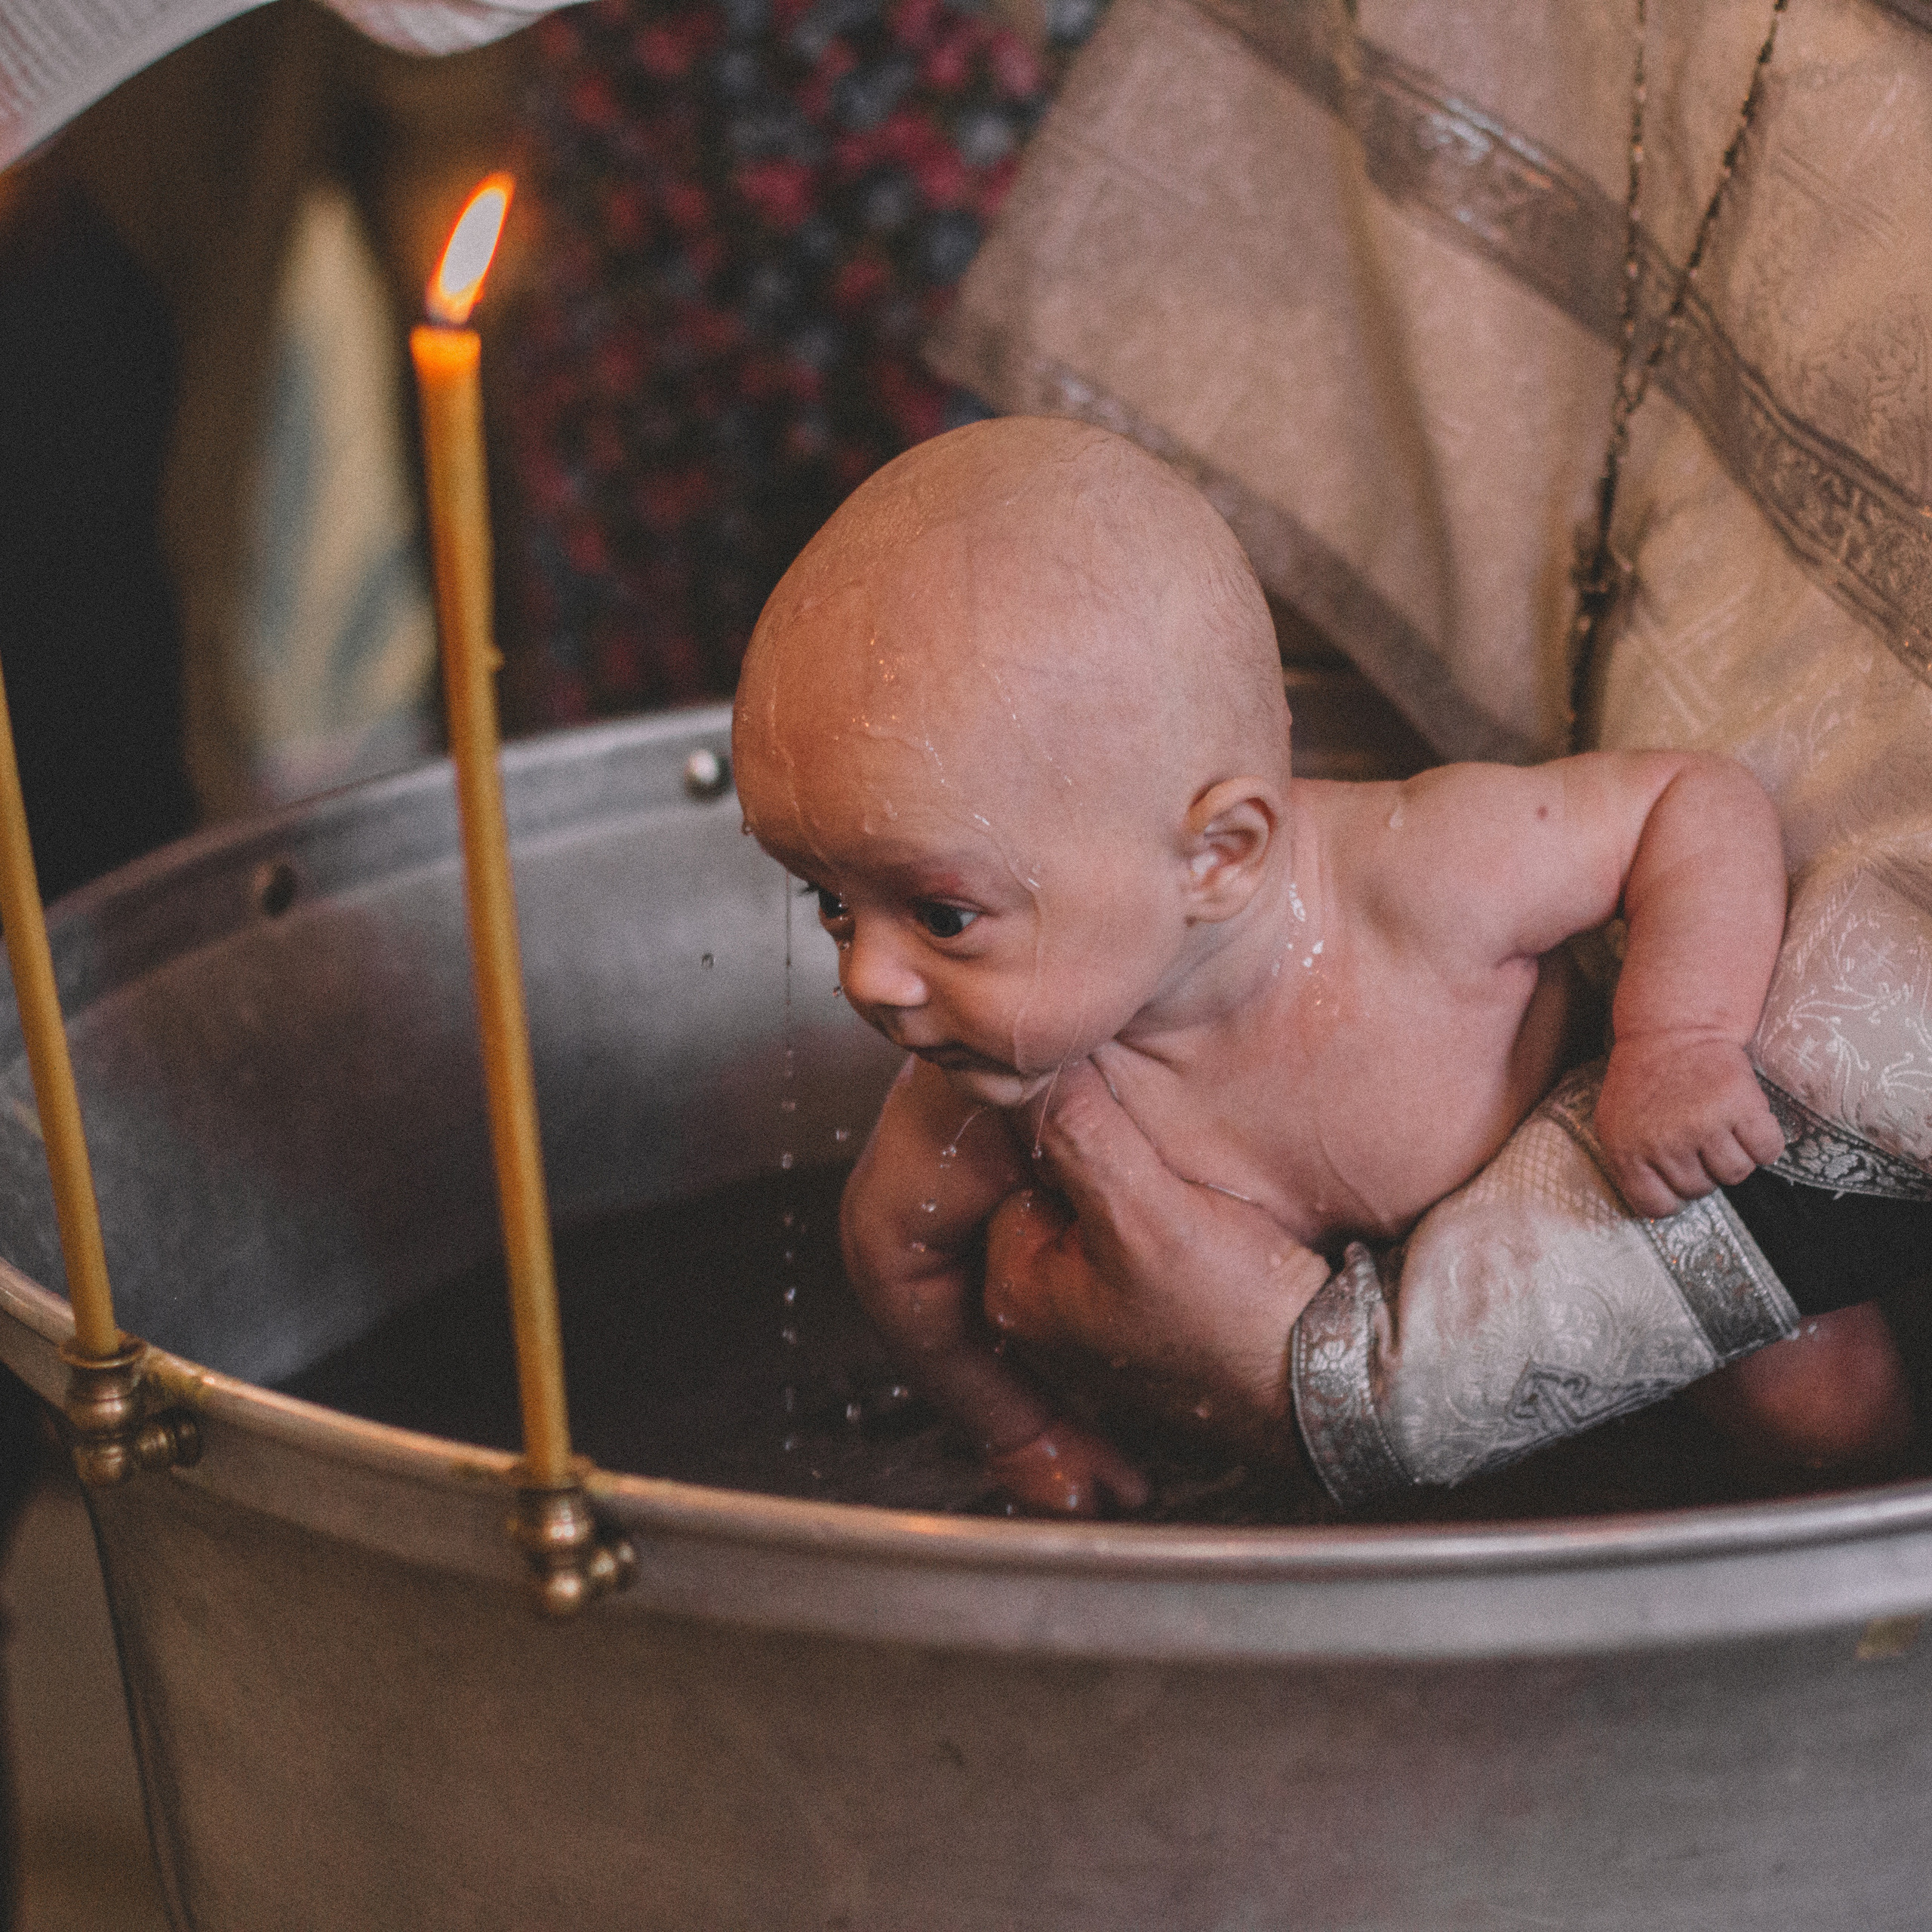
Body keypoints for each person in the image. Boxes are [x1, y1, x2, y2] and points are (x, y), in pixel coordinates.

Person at [731, 413, 1804, 1514]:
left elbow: (1693, 802)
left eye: (942, 915)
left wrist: (1678, 1038)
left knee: (1813, 1395)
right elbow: (893, 1255)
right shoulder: (991, 1084)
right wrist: (1026, 1435)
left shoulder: (1422, 881)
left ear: (1218, 855)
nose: (867, 977)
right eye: (830, 903)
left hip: (1599, 1227)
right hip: (1323, 1400)